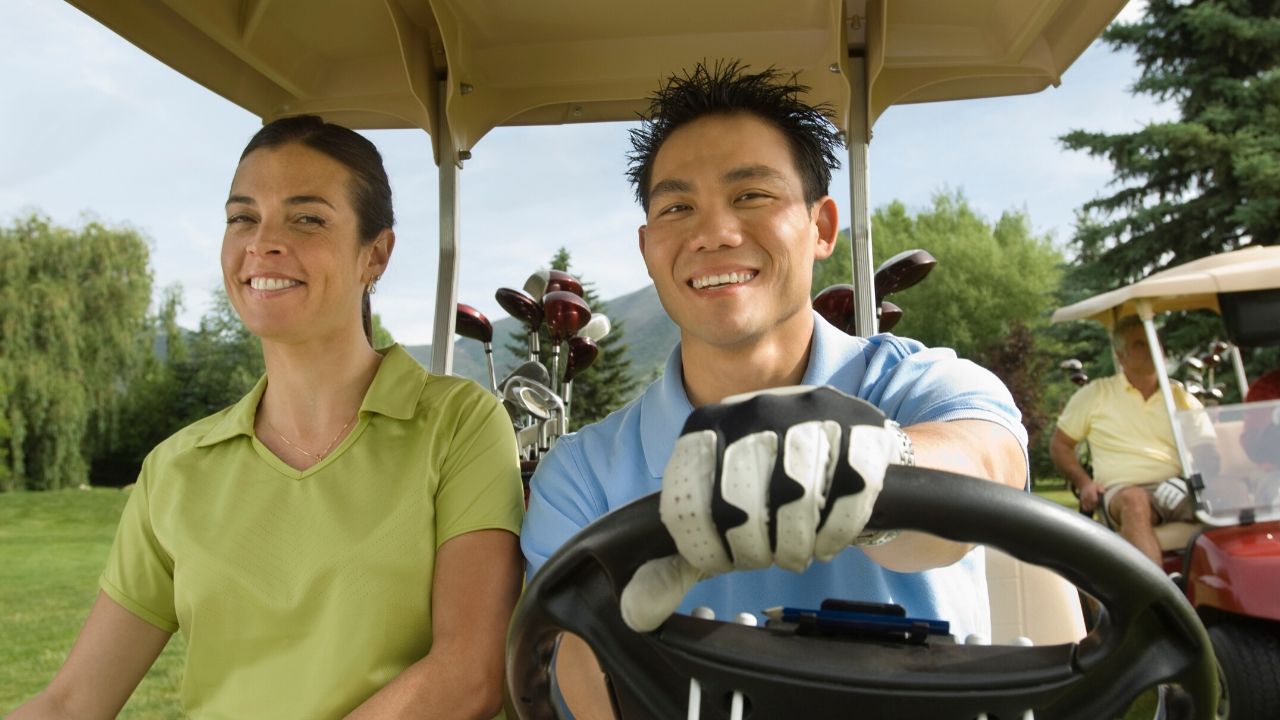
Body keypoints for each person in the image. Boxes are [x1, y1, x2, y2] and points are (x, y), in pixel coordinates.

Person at [520, 61, 1028, 718]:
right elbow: (571, 675)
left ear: (821, 228)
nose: (714, 234)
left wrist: (878, 464)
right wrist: (605, 641)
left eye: (752, 195)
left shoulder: (917, 384)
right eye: (678, 207)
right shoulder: (582, 475)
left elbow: (986, 461)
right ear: (648, 249)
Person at [7, 116, 524, 719]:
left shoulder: (458, 424)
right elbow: (72, 703)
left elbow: (469, 672)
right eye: (242, 217)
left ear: (375, 255)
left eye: (307, 218)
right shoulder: (175, 469)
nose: (262, 243)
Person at [1050, 315, 1201, 566]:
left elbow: (1207, 449)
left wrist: (1189, 480)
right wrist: (1084, 482)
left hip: (1177, 486)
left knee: (1234, 496)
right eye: (1139, 345)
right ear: (1121, 356)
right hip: (1121, 492)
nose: (1151, 350)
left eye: (1153, 342)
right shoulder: (1096, 394)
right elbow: (1060, 445)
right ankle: (1155, 603)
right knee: (1135, 500)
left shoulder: (1181, 397)